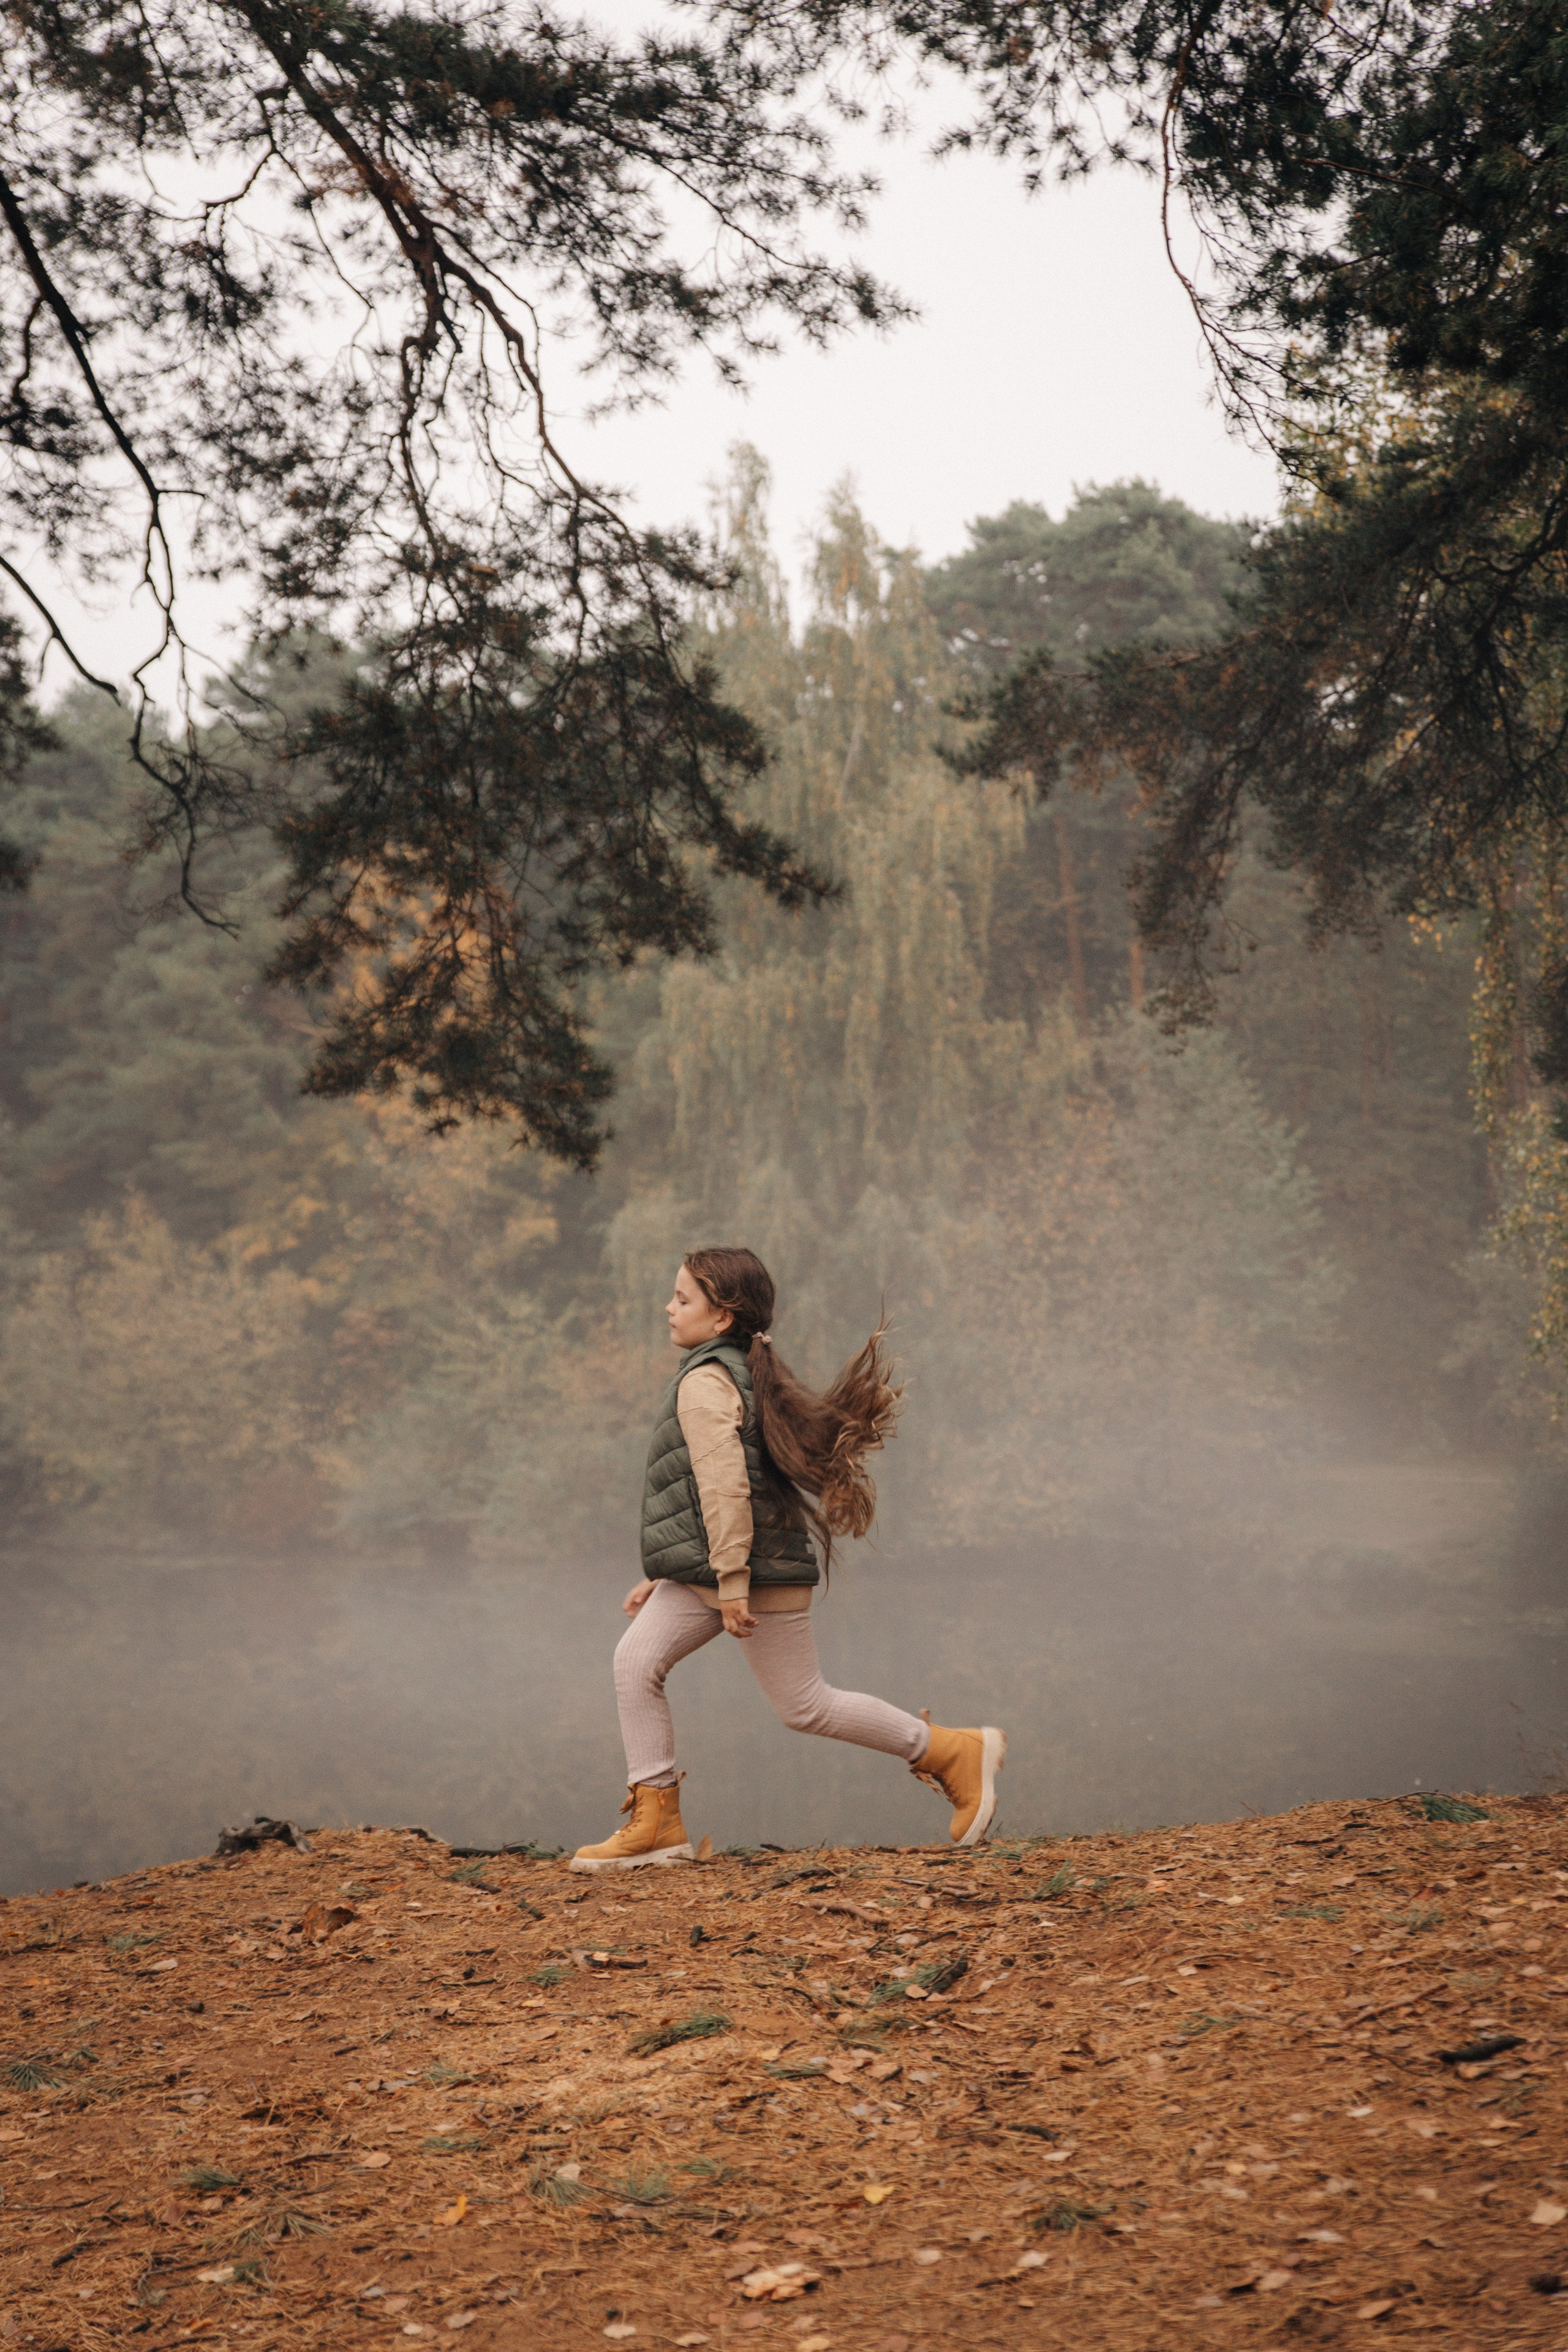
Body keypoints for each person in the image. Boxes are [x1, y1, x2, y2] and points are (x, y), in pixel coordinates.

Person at [569, 1245, 1005, 1871]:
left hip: (747, 1571)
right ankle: (656, 1821)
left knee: (804, 1705)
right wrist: (668, 1570)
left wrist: (733, 1578)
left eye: (683, 1298)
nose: (668, 1308)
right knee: (635, 1660)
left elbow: (725, 1487)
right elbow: (706, 1491)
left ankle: (949, 1751)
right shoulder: (733, 1371)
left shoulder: (705, 1381)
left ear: (722, 1318)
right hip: (716, 1570)